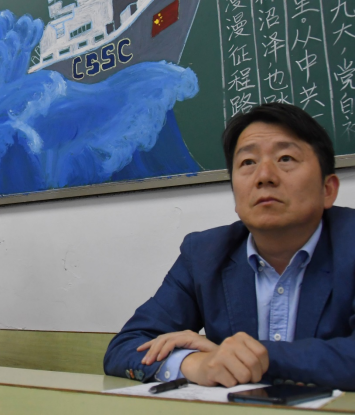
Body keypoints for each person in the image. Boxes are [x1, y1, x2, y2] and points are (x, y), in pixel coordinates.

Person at [104, 103, 355, 391]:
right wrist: (198, 364)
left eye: (285, 158)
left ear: (327, 190)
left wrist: (252, 358)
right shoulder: (204, 254)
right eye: (248, 162)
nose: (264, 176)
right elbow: (125, 348)